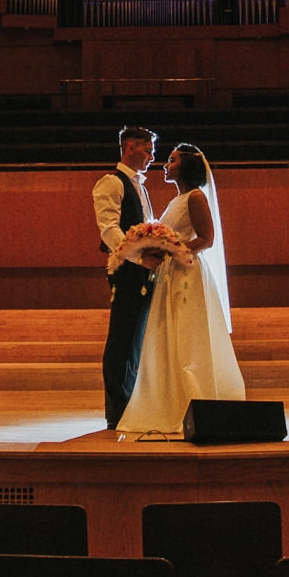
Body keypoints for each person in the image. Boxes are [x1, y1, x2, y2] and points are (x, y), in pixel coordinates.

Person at [116, 142, 245, 436]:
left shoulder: (195, 197)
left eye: (171, 160)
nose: (165, 164)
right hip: (170, 274)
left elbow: (206, 239)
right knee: (167, 335)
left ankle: (194, 400)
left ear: (186, 166)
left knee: (186, 334)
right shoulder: (178, 200)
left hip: (186, 273)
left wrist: (172, 249)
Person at [93, 125, 162, 431]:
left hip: (144, 270)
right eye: (148, 150)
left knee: (136, 338)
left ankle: (131, 403)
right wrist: (135, 257)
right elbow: (109, 229)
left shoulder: (142, 188)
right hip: (127, 269)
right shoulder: (111, 183)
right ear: (130, 147)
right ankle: (116, 410)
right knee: (121, 338)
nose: (152, 157)